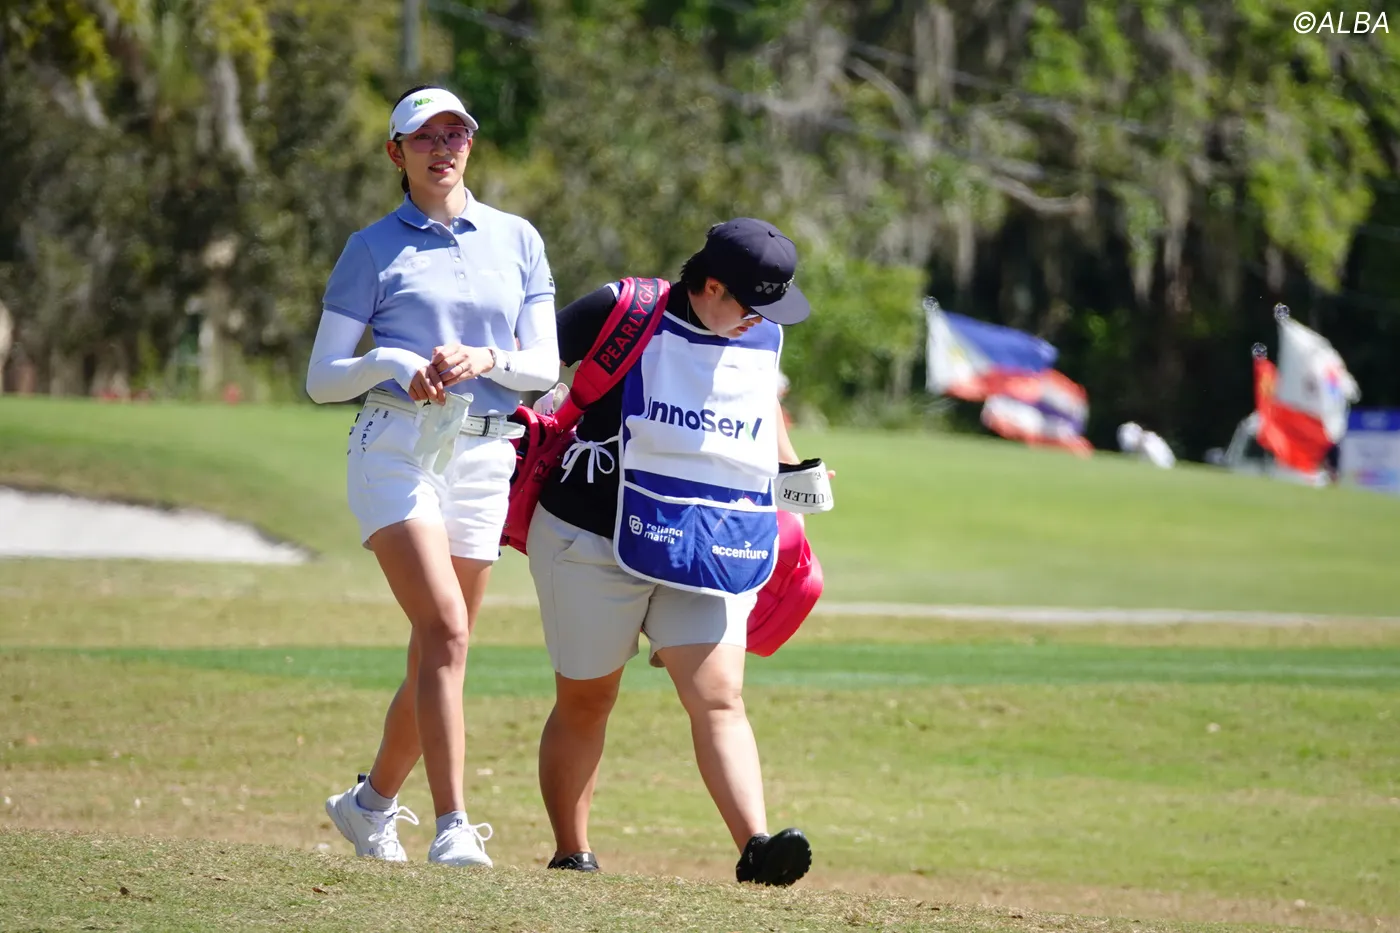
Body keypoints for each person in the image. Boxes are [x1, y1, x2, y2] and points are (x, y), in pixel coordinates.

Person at [304, 85, 560, 868]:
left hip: (487, 453)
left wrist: (488, 358)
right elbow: (322, 377)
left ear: (470, 145)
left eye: (455, 135)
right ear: (397, 153)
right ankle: (454, 824)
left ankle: (369, 805)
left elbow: (544, 365)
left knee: (436, 650)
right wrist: (390, 360)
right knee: (446, 631)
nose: (442, 149)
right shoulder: (371, 248)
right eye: (424, 138)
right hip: (397, 448)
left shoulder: (517, 238)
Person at [528, 218, 823, 886]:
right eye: (750, 306)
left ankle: (756, 849)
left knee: (720, 696)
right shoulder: (625, 308)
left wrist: (794, 476)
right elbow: (529, 361)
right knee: (588, 700)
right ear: (711, 285)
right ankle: (572, 852)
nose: (760, 322)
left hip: (708, 541)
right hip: (589, 536)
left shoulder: (760, 334)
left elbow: (760, 411)